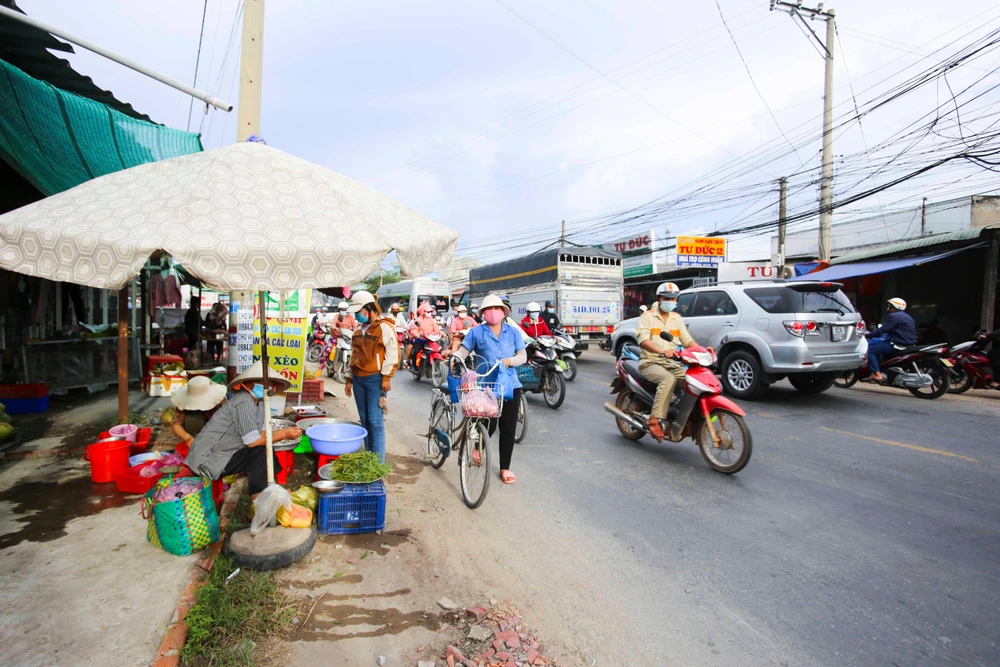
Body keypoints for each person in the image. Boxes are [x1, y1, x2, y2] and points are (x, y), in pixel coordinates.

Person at [183, 362, 301, 500]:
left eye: (269, 383)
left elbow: (261, 434)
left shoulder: (260, 402)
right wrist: (282, 434)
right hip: (209, 460)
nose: (266, 386)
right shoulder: (243, 402)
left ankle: (268, 490)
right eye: (260, 382)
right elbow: (253, 442)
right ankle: (258, 501)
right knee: (259, 450)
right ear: (247, 384)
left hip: (225, 452)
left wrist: (279, 434)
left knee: (263, 449)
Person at [450, 295, 526, 485]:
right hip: (486, 386)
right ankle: (479, 447)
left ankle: (505, 467)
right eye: (489, 309)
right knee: (486, 423)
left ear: (503, 312)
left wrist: (510, 361)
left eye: (497, 308)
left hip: (510, 385)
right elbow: (463, 351)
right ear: (483, 313)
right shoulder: (476, 333)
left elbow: (522, 356)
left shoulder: (513, 332)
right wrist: (456, 357)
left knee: (508, 427)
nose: (493, 312)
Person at [636, 282, 710, 441]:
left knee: (692, 381)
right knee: (669, 379)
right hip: (650, 362)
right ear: (659, 299)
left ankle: (683, 416)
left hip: (671, 363)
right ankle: (654, 418)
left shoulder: (676, 318)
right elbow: (643, 341)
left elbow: (687, 340)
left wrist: (702, 351)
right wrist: (662, 351)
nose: (670, 301)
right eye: (667, 298)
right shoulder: (647, 317)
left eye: (674, 299)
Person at [344, 291, 399, 463]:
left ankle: (379, 465)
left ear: (369, 308)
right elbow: (354, 355)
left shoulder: (384, 327)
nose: (357, 315)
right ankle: (370, 461)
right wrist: (348, 378)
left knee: (375, 422)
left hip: (375, 379)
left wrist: (386, 377)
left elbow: (392, 353)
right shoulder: (359, 330)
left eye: (359, 311)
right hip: (358, 380)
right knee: (365, 421)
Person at [866, 297, 917, 382]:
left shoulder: (894, 316)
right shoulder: (907, 316)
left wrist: (869, 335)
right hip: (909, 343)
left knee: (870, 350)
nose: (889, 308)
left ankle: (877, 374)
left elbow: (883, 330)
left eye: (890, 306)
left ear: (894, 307)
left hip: (898, 344)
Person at [170, 375, 227, 444]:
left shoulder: (220, 401)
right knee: (193, 418)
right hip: (197, 432)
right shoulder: (185, 403)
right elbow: (176, 424)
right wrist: (187, 438)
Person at [407, 302, 442, 367]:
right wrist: (417, 334)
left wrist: (441, 333)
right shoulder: (418, 320)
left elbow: (436, 328)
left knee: (439, 349)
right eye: (428, 312)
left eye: (430, 312)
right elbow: (414, 329)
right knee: (416, 351)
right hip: (420, 340)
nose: (430, 313)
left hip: (430, 340)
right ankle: (414, 366)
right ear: (423, 312)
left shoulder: (431, 320)